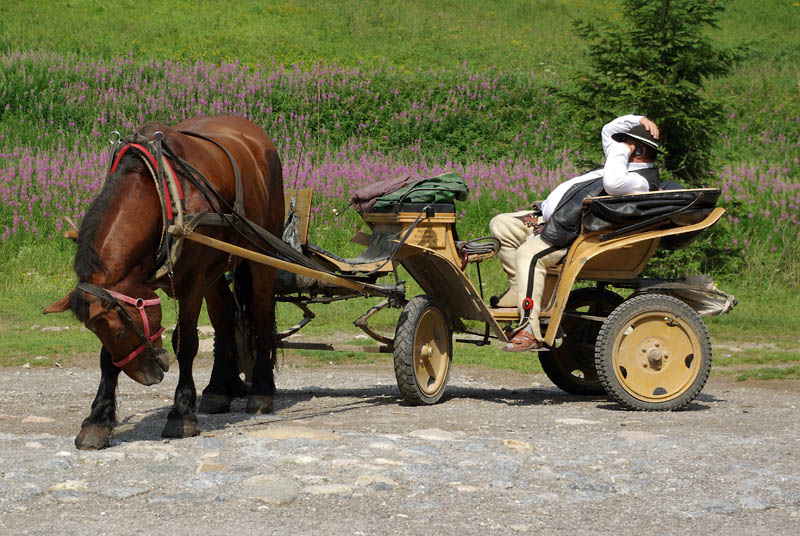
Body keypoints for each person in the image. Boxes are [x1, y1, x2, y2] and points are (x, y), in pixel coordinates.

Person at [489, 114, 661, 351]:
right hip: (550, 220)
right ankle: (520, 291)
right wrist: (639, 119)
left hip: (571, 234)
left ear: (637, 150)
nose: (615, 147)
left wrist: (621, 151)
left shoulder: (638, 180)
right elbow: (608, 130)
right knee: (501, 224)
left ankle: (530, 329)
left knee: (529, 255)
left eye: (624, 143)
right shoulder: (623, 165)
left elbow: (612, 184)